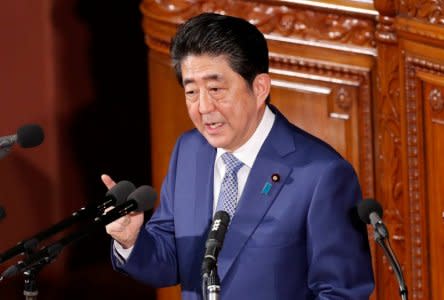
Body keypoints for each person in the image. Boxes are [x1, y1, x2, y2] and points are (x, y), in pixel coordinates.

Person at [102, 12, 374, 299]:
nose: (203, 107)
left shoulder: (321, 174)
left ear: (259, 88)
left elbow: (342, 293)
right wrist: (132, 240)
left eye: (216, 89)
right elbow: (169, 260)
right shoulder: (189, 151)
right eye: (191, 92)